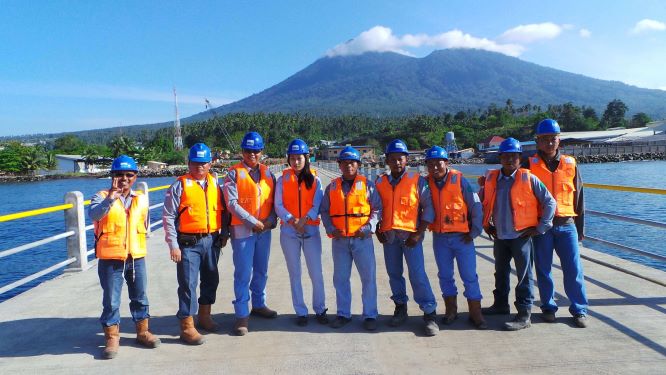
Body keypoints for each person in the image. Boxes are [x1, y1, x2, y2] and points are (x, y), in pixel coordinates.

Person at [481, 137, 556, 331]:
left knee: (524, 275)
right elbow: (481, 202)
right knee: (501, 272)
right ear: (500, 158)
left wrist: (541, 227)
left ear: (519, 157)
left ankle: (524, 314)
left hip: (520, 237)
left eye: (513, 156)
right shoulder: (492, 179)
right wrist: (485, 224)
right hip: (500, 235)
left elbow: (550, 202)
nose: (509, 160)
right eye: (506, 156)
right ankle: (501, 305)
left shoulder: (528, 178)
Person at [89, 155, 160, 359]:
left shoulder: (141, 198)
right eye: (119, 174)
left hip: (136, 256)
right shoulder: (100, 196)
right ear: (112, 176)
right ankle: (112, 337)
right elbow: (94, 215)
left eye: (129, 174)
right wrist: (110, 198)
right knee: (111, 300)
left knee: (140, 297)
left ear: (135, 176)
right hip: (111, 257)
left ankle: (143, 332)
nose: (124, 179)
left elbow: (144, 223)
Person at [526, 119, 589, 328]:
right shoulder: (529, 165)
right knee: (543, 269)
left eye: (552, 138)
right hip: (542, 227)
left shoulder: (570, 164)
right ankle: (548, 307)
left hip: (567, 224)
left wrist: (580, 227)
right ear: (538, 141)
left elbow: (579, 196)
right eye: (544, 139)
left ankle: (579, 309)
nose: (549, 143)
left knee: (573, 268)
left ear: (558, 140)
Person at [163, 143, 228, 345]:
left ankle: (205, 316)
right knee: (187, 285)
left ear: (210, 164)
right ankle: (187, 325)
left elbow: (224, 211)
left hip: (212, 240)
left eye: (203, 163)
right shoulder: (179, 185)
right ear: (188, 163)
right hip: (188, 243)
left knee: (211, 279)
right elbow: (168, 216)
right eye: (195, 163)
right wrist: (173, 245)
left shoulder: (216, 184)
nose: (199, 167)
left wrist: (224, 233)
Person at [375, 139, 439, 336]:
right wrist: (377, 230)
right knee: (394, 274)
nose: (397, 163)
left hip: (411, 237)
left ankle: (429, 313)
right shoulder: (380, 182)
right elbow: (375, 208)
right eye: (392, 159)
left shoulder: (417, 181)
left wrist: (419, 233)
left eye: (400, 159)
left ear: (407, 160)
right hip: (390, 237)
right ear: (387, 160)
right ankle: (400, 308)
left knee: (417, 274)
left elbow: (428, 208)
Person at [424, 146, 487, 330]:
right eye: (431, 164)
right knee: (445, 275)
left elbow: (475, 205)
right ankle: (451, 310)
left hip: (463, 238)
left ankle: (476, 312)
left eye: (438, 163)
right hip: (440, 238)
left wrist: (474, 232)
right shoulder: (425, 183)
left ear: (447, 163)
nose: (435, 167)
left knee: (469, 276)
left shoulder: (460, 180)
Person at [320, 146, 381, 331]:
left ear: (358, 165)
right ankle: (343, 314)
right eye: (345, 163)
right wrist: (331, 228)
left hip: (362, 239)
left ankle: (370, 315)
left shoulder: (369, 186)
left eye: (352, 163)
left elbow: (377, 210)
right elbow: (324, 211)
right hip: (340, 241)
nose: (349, 166)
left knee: (368, 278)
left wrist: (369, 228)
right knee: (340, 279)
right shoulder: (332, 187)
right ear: (339, 165)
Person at [223, 131, 278, 336]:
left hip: (264, 230)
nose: (252, 154)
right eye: (248, 150)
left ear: (261, 151)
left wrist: (271, 220)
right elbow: (232, 203)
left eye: (256, 151)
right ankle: (241, 315)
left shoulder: (268, 173)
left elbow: (273, 201)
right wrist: (252, 221)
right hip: (243, 230)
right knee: (243, 273)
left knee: (262, 270)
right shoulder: (233, 174)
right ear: (242, 151)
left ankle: (259, 304)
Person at [275, 139, 328, 326]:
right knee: (294, 273)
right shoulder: (282, 180)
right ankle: (301, 311)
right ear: (288, 159)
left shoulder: (315, 180)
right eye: (293, 158)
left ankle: (320, 309)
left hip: (310, 229)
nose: (296, 162)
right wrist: (292, 220)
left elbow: (317, 203)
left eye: (299, 158)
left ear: (306, 158)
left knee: (316, 272)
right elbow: (278, 205)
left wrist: (304, 220)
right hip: (289, 231)